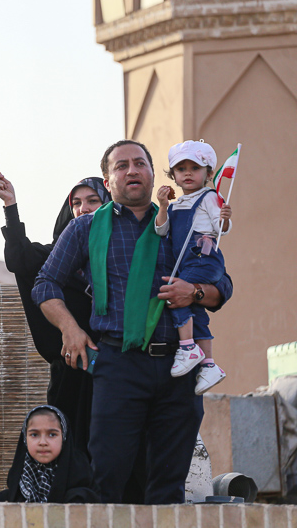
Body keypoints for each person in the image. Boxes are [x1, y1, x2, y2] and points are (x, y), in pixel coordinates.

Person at [32, 140, 234, 504]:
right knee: (107, 475)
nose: (132, 170)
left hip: (180, 364)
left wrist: (193, 292)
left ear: (153, 174)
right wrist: (70, 328)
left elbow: (222, 286)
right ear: (107, 181)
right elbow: (45, 283)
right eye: (121, 166)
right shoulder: (86, 229)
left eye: (140, 163)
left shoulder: (183, 220)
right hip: (119, 366)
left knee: (169, 483)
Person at [0, 173, 109, 456]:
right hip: (70, 373)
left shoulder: (124, 255)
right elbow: (19, 257)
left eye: (93, 201)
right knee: (69, 453)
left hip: (115, 370)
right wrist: (10, 205)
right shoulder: (55, 259)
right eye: (76, 203)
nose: (83, 208)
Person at [155, 140, 232, 394]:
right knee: (194, 309)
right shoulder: (176, 205)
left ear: (208, 173)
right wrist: (163, 206)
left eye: (195, 168)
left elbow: (221, 229)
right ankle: (209, 364)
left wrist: (224, 219)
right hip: (185, 262)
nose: (188, 173)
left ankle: (188, 347)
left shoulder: (209, 196)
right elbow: (161, 230)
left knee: (175, 294)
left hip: (203, 258)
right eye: (181, 169)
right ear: (173, 175)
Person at [0, 405, 99, 503]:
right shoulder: (10, 496)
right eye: (34, 435)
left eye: (52, 434)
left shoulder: (81, 491)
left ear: (64, 438)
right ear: (25, 439)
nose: (43, 442)